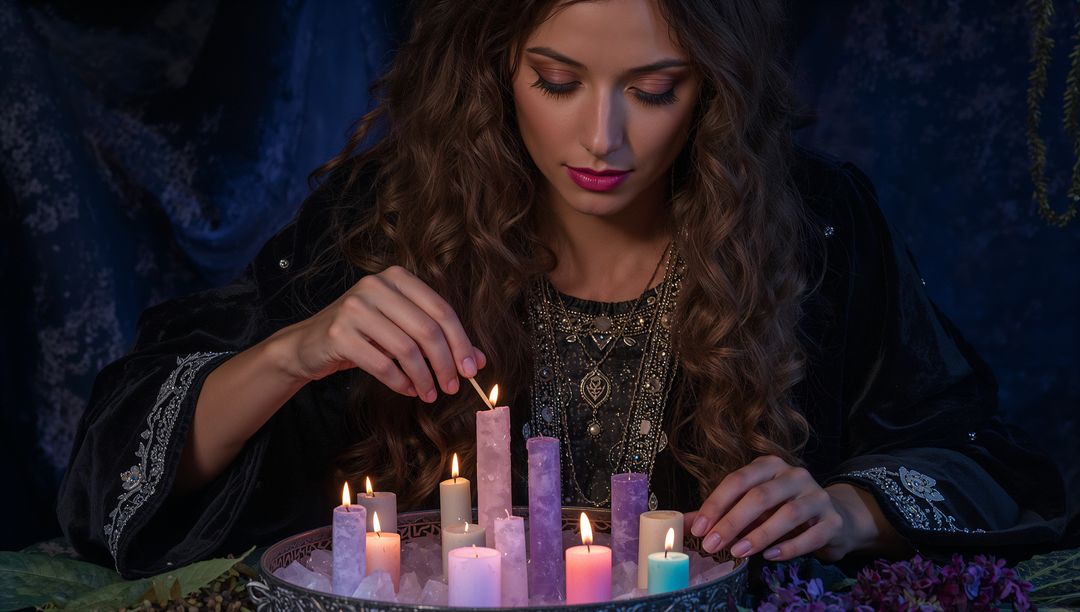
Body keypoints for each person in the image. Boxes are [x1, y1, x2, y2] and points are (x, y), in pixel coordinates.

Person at [58, 0, 1068, 579]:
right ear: (498, 68)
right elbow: (116, 465)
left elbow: (981, 453)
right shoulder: (383, 218)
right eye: (557, 80)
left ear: (711, 86)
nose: (602, 140)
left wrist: (852, 509)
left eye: (654, 89)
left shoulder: (818, 224)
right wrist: (296, 350)